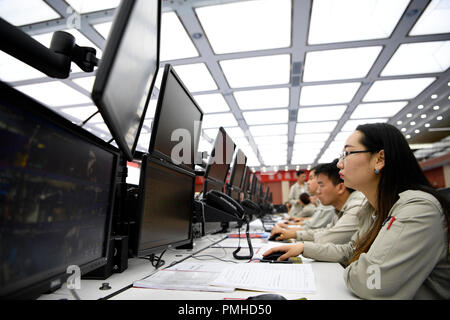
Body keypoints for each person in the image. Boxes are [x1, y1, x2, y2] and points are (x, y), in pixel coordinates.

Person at [264, 123, 449, 299]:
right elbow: (350, 250)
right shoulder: (373, 208)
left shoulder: (418, 209)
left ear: (379, 159)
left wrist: (355, 263)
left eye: (348, 153)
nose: (339, 164)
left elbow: (371, 282)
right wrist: (304, 248)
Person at [270, 160, 365, 244]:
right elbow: (326, 230)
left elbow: (325, 235)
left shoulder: (356, 206)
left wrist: (295, 236)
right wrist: (293, 233)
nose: (307, 182)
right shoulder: (336, 205)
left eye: (312, 179)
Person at [277, 166, 335, 230]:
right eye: (302, 177)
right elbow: (290, 200)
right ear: (298, 177)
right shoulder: (294, 187)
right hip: (298, 209)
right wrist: (298, 202)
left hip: (307, 208)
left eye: (306, 177)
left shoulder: (326, 203)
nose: (305, 180)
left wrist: (290, 228)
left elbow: (313, 225)